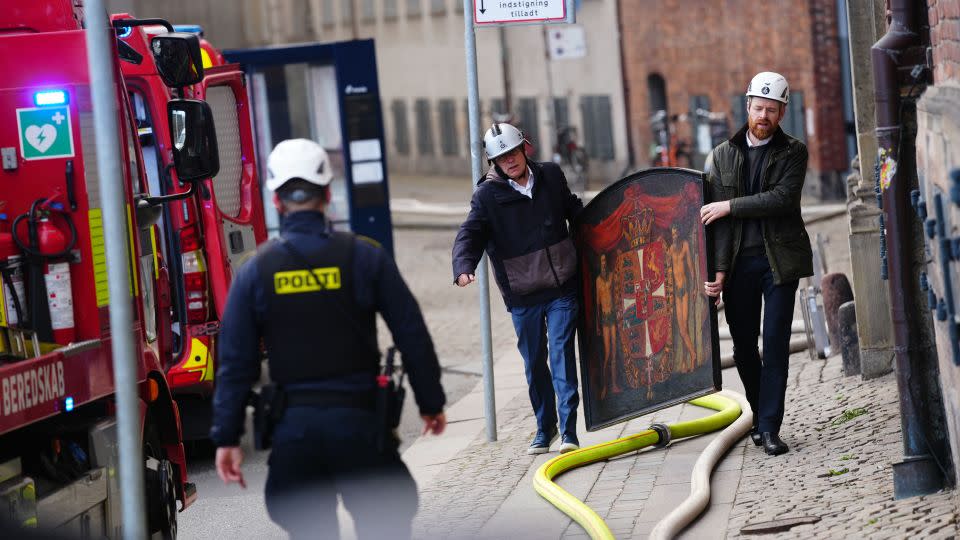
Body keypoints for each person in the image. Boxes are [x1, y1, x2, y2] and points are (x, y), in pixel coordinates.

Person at [211, 138, 447, 538]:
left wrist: (226, 437)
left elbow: (236, 363)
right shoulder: (366, 256)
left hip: (294, 435)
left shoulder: (255, 273)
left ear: (275, 199)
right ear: (327, 193)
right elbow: (411, 332)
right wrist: (431, 402)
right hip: (361, 427)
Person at [700, 72, 813, 456]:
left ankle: (768, 427)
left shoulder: (793, 152)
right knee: (745, 347)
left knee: (777, 343)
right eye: (758, 107)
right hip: (737, 266)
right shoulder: (721, 156)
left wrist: (730, 205)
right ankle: (758, 412)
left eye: (772, 109)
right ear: (747, 107)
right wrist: (716, 274)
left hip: (778, 260)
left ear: (782, 112)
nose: (763, 115)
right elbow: (713, 226)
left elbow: (781, 198)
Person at [453, 122, 583, 455]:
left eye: (512, 152)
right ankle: (545, 427)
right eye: (500, 157)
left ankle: (569, 432)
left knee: (562, 353)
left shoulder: (552, 176)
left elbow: (575, 211)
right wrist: (463, 266)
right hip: (523, 295)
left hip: (562, 288)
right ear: (492, 161)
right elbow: (470, 234)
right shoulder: (487, 196)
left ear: (525, 148)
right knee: (534, 363)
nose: (509, 160)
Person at [668, 223, 697, 372]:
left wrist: (695, 287)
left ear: (679, 233)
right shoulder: (670, 250)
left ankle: (692, 357)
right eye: (672, 234)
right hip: (677, 293)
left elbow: (691, 267)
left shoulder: (685, 245)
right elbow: (668, 274)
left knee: (684, 327)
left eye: (676, 233)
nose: (674, 236)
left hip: (685, 290)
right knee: (682, 330)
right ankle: (688, 358)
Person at [595, 253, 621, 399]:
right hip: (604, 318)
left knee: (614, 351)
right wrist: (597, 324)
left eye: (605, 260)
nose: (604, 263)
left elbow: (617, 293)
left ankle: (615, 384)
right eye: (602, 261)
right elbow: (597, 303)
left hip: (612, 316)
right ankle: (605, 386)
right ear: (600, 264)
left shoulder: (611, 276)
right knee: (607, 353)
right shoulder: (598, 281)